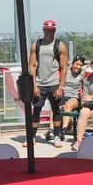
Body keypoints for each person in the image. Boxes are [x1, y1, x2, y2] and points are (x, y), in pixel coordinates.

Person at [26, 19, 68, 147]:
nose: (49, 32)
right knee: (36, 110)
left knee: (56, 110)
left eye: (52, 30)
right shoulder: (36, 45)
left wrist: (61, 86)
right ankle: (32, 137)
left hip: (54, 82)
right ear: (43, 30)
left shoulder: (60, 45)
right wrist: (34, 85)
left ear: (55, 30)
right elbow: (32, 65)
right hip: (40, 83)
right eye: (47, 30)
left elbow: (64, 67)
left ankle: (56, 136)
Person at [58, 56, 85, 140]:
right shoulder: (66, 71)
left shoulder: (83, 73)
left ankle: (64, 129)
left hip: (75, 97)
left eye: (81, 65)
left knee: (68, 105)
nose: (78, 67)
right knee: (54, 107)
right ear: (72, 64)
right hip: (64, 96)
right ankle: (52, 130)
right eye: (77, 64)